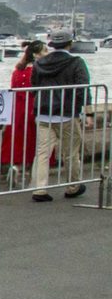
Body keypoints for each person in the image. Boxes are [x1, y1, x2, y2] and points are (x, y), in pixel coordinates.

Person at [31, 30, 96, 202]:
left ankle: (39, 189)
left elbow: (34, 84)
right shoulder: (76, 62)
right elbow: (83, 88)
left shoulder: (40, 62)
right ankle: (72, 186)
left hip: (43, 112)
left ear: (52, 44)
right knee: (71, 152)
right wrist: (88, 112)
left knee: (42, 153)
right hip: (66, 113)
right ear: (70, 43)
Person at [0, 41, 46, 186]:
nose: (47, 53)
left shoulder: (18, 71)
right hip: (34, 107)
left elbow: (12, 88)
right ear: (36, 54)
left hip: (18, 109)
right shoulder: (40, 71)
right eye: (44, 51)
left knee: (18, 140)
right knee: (36, 141)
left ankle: (16, 167)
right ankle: (32, 176)